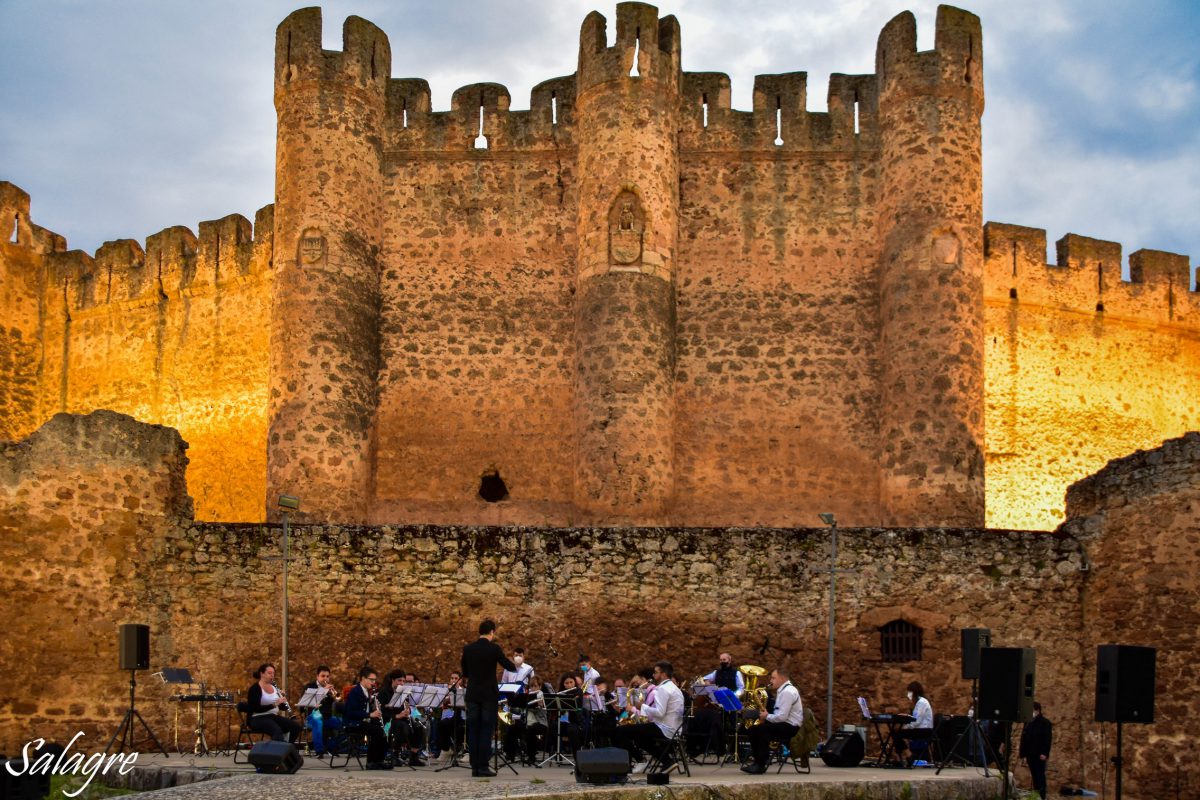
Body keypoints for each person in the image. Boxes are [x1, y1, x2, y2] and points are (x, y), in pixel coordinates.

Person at [460, 619, 517, 777]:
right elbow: (509, 666)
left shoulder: (468, 649)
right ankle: (483, 767)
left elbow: (465, 672)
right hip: (488, 695)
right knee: (486, 730)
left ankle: (474, 767)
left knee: (473, 730)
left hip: (472, 694)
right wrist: (516, 662)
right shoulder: (494, 649)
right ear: (492, 632)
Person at [610, 661, 684, 773]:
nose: (653, 675)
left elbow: (659, 713)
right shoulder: (674, 688)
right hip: (673, 729)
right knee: (640, 739)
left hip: (664, 729)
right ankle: (667, 761)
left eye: (656, 672)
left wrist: (642, 707)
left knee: (619, 731)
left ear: (663, 674)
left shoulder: (663, 689)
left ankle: (636, 761)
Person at [741, 667, 803, 774]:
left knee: (762, 730)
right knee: (753, 729)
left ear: (782, 678)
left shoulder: (788, 692)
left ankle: (761, 764)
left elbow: (782, 717)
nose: (771, 681)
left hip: (790, 727)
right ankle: (757, 761)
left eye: (774, 678)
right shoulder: (783, 690)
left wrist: (766, 716)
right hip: (784, 724)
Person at [343, 665, 391, 769]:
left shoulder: (367, 691)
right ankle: (371, 762)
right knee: (377, 731)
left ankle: (379, 760)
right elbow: (350, 712)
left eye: (374, 680)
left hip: (363, 721)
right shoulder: (355, 692)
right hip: (353, 723)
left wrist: (374, 707)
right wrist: (370, 714)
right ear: (363, 679)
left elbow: (365, 707)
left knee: (384, 730)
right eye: (371, 679)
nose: (373, 682)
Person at [245, 663, 303, 744]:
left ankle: (288, 749)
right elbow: (255, 708)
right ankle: (277, 754)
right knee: (277, 730)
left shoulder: (274, 687)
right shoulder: (255, 688)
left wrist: (282, 701)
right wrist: (274, 704)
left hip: (273, 717)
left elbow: (282, 708)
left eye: (273, 673)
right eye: (269, 673)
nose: (272, 675)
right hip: (257, 718)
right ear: (262, 674)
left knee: (295, 727)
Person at [303, 665, 342, 756]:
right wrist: (323, 691)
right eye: (323, 676)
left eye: (327, 676)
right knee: (318, 722)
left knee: (342, 723)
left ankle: (332, 747)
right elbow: (304, 705)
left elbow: (337, 701)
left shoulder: (329, 689)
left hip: (327, 717)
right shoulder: (309, 687)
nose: (325, 678)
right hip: (312, 716)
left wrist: (334, 698)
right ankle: (319, 751)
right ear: (317, 676)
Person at [893, 681, 934, 765]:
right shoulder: (919, 702)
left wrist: (905, 727)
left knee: (897, 733)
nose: (909, 695)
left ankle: (907, 755)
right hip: (921, 729)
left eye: (910, 692)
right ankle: (899, 757)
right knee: (896, 732)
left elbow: (917, 721)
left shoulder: (922, 702)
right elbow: (916, 717)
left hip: (924, 730)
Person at [1019, 702, 1052, 799]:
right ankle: (1036, 794)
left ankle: (1042, 795)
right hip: (1030, 754)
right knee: (1034, 775)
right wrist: (1023, 753)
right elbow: (1024, 737)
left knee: (1040, 775)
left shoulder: (1045, 723)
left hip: (1039, 754)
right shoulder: (1028, 722)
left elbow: (1047, 739)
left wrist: (1045, 753)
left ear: (1037, 710)